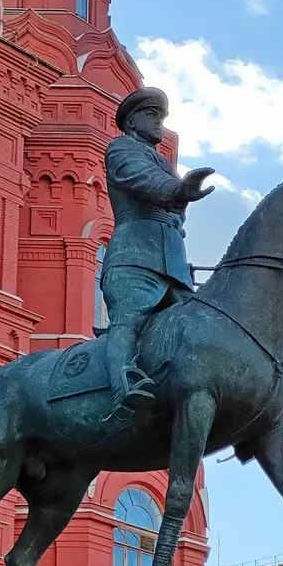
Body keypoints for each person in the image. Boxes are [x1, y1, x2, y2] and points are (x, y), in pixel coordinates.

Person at [101, 87, 215, 417]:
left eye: (162, 117)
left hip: (173, 265)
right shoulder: (121, 149)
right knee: (129, 320)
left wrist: (180, 192)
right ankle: (123, 389)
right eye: (152, 116)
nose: (159, 124)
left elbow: (175, 214)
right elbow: (140, 180)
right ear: (132, 121)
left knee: (197, 326)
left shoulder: (164, 164)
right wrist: (178, 189)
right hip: (135, 258)